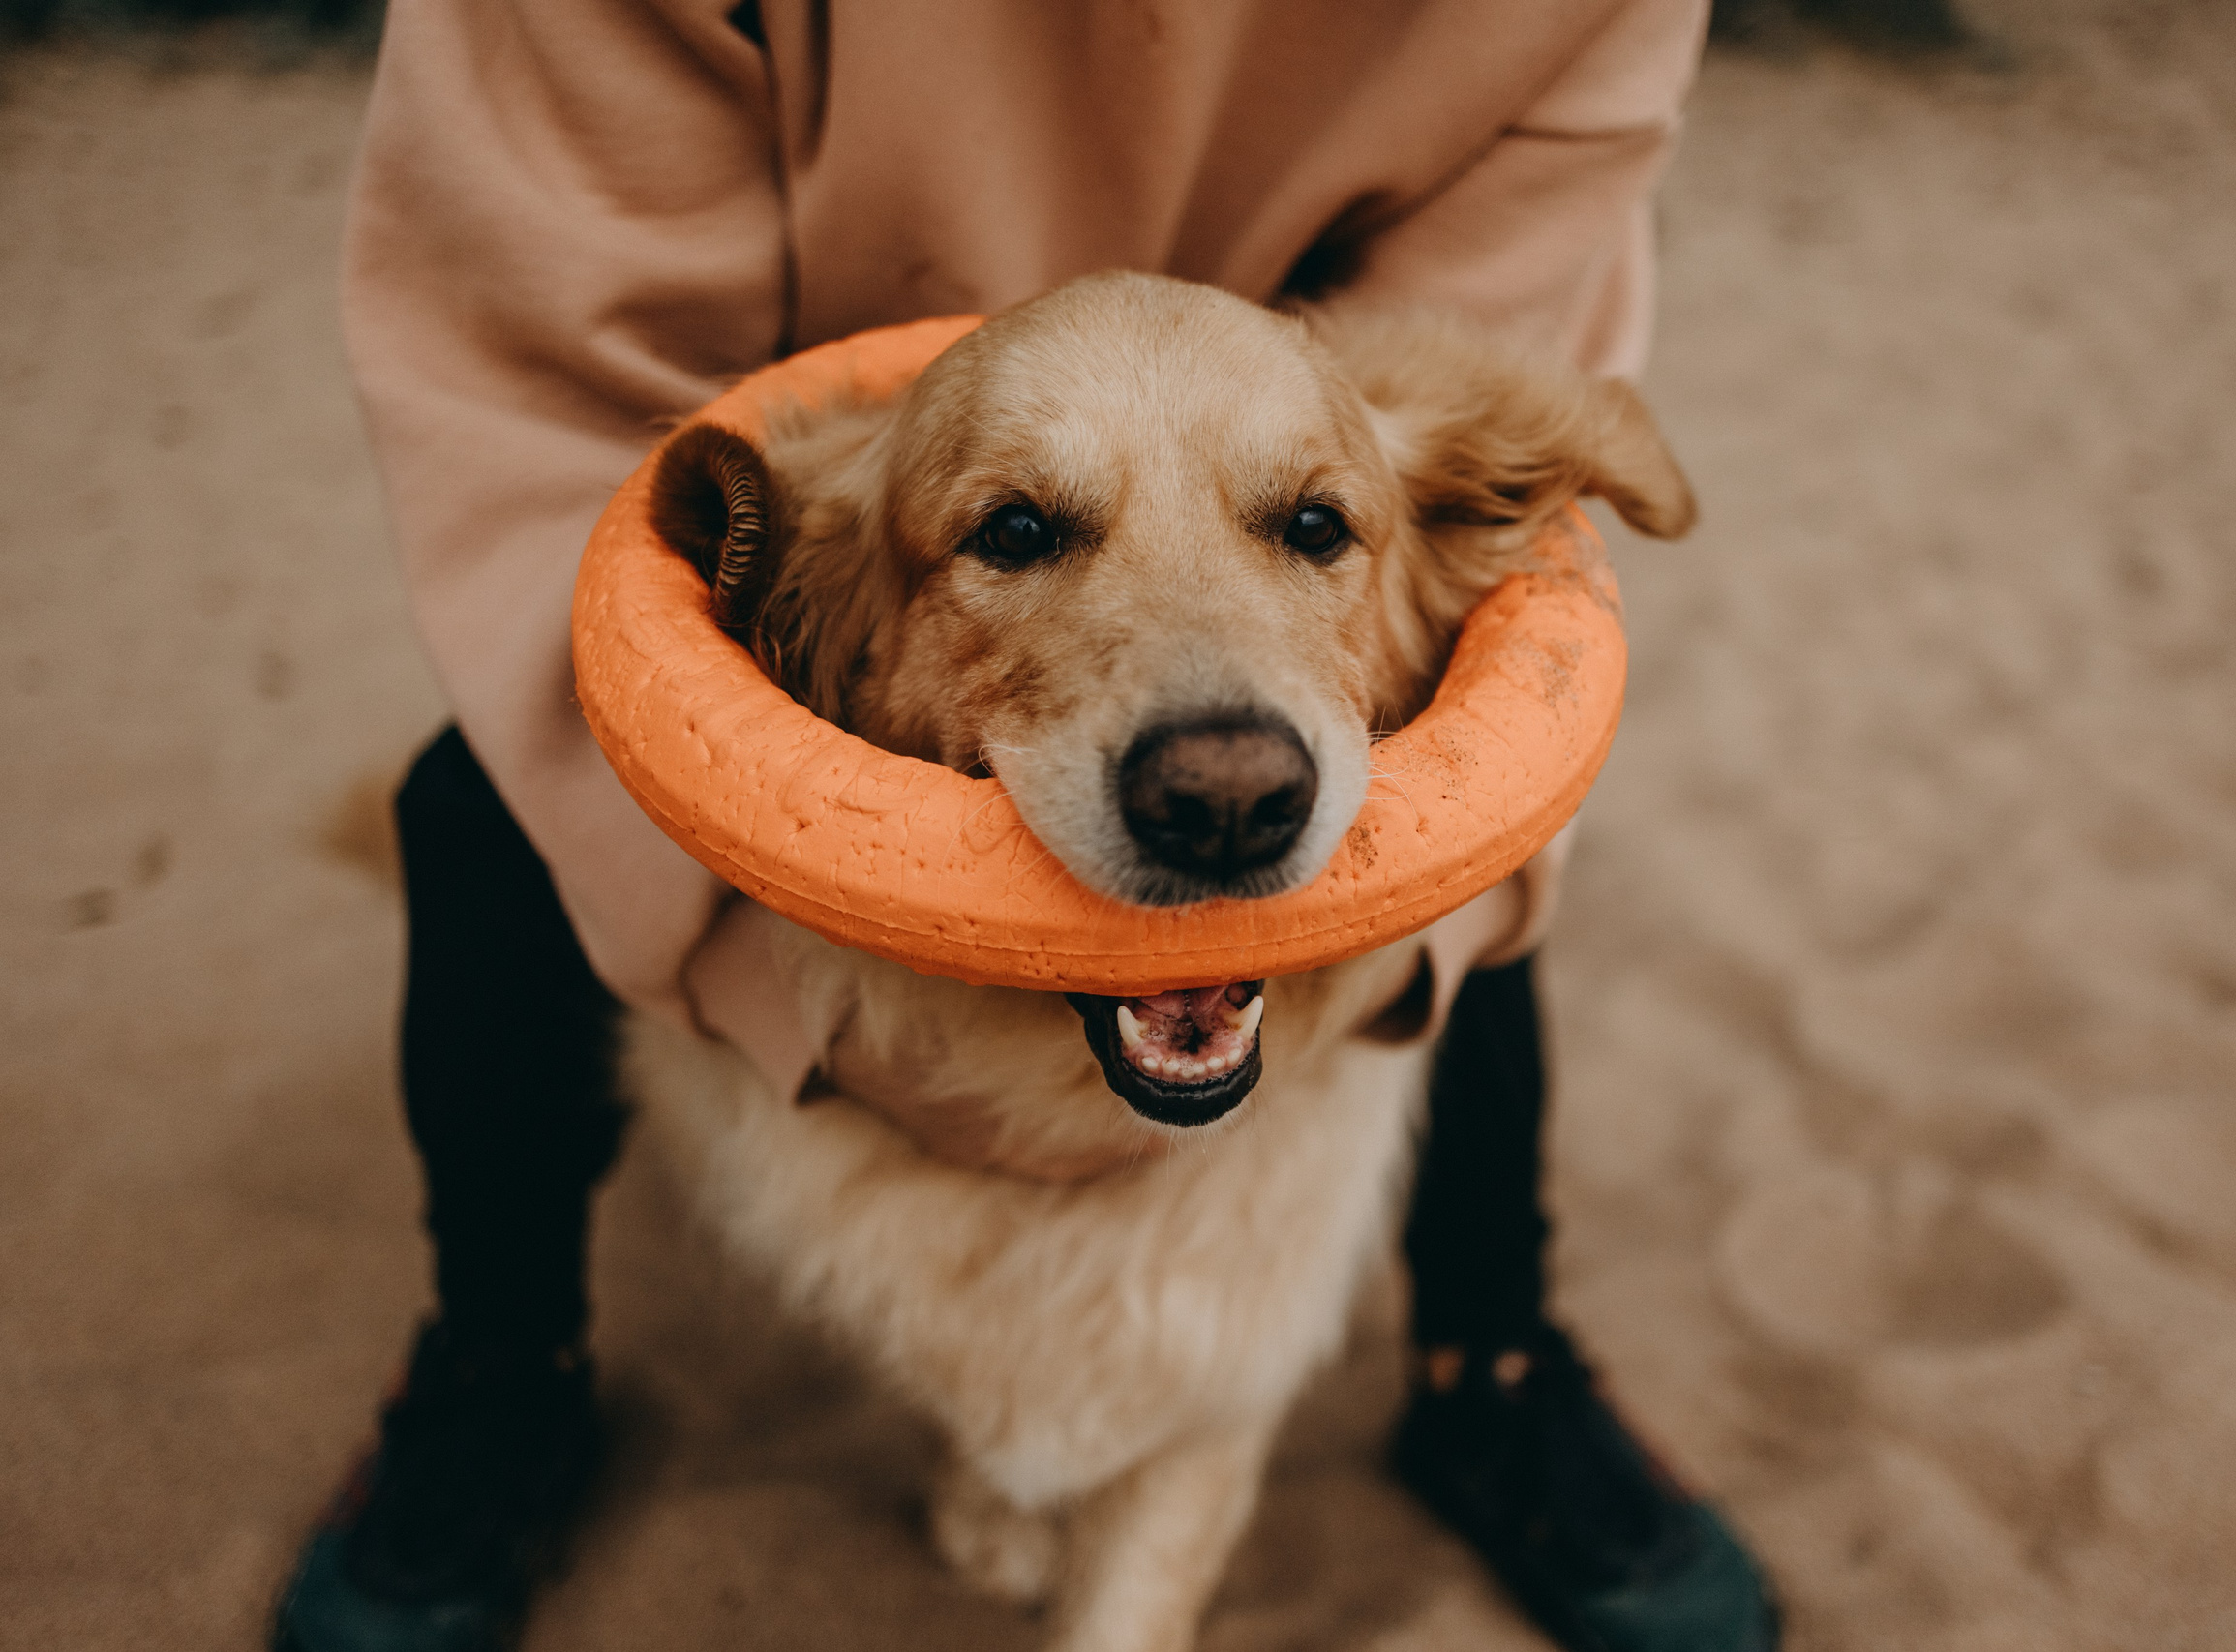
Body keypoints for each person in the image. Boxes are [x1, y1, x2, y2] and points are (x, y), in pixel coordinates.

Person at [270, 3, 1777, 1650]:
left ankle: (1491, 1354)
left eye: (1309, 523)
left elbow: (1496, 379)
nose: (1217, 759)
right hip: (780, 402)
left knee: (1472, 938)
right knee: (478, 813)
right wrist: (788, 980)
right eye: (1025, 528)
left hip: (1290, 387)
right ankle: (505, 1367)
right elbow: (562, 408)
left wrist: (1413, 913)